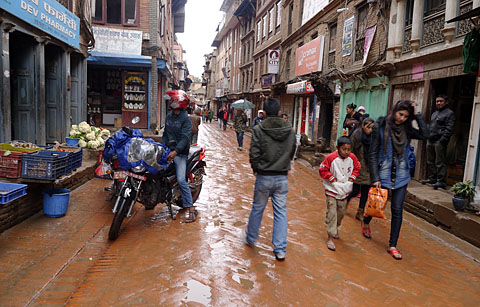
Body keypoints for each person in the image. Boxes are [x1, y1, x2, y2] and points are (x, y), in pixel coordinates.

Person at [363, 100, 428, 260]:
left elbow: (426, 135)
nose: (402, 119)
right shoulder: (381, 125)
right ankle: (365, 221)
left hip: (401, 174)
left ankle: (392, 245)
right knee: (379, 204)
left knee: (397, 210)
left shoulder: (407, 129)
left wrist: (417, 115)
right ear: (394, 111)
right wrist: (375, 177)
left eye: (406, 116)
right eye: (400, 114)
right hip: (383, 173)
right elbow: (373, 153)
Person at [244, 98, 296, 261]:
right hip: (281, 177)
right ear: (279, 112)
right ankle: (280, 250)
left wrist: (257, 169)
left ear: (264, 113)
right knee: (281, 212)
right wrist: (284, 164)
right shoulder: (290, 130)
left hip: (264, 176)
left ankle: (251, 238)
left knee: (257, 208)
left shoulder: (259, 129)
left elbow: (254, 153)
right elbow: (293, 150)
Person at [319, 137, 361, 252]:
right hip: (331, 189)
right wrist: (332, 179)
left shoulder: (352, 158)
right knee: (332, 212)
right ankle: (330, 237)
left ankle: (335, 228)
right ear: (338, 148)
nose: (346, 152)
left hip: (344, 190)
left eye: (348, 149)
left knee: (341, 212)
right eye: (344, 149)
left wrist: (351, 179)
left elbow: (357, 168)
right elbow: (322, 170)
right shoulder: (330, 158)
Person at [162, 90, 197, 223]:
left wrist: (175, 152)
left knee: (182, 180)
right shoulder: (169, 115)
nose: (170, 102)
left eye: (172, 100)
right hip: (168, 150)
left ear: (178, 102)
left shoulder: (186, 119)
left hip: (180, 153)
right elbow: (165, 133)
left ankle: (190, 208)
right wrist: (163, 146)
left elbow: (185, 138)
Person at [421, 95, 455, 190]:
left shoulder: (450, 113)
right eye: (437, 101)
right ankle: (432, 179)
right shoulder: (434, 114)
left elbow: (450, 128)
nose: (439, 103)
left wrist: (442, 140)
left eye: (441, 101)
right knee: (430, 161)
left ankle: (441, 181)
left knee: (439, 162)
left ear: (446, 102)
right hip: (430, 140)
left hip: (439, 141)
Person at [346, 118, 375, 220]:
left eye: (372, 128)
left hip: (368, 169)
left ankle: (360, 212)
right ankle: (345, 201)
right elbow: (351, 151)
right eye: (368, 127)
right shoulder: (356, 136)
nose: (370, 130)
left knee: (365, 192)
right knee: (355, 190)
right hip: (357, 167)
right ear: (363, 126)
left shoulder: (374, 138)